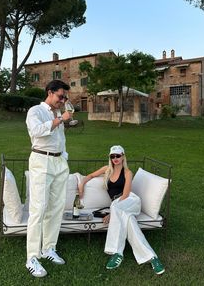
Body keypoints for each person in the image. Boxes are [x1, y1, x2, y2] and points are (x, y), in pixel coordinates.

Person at [78, 145, 165, 275]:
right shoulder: (106, 170)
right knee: (129, 221)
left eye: (118, 155)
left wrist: (112, 214)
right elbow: (90, 176)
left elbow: (125, 195)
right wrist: (81, 184)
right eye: (112, 156)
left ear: (123, 156)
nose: (115, 158)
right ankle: (152, 258)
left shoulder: (128, 173)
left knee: (115, 206)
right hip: (120, 207)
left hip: (131, 201)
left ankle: (116, 252)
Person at [25, 79, 72, 277]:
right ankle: (32, 257)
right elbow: (37, 132)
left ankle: (48, 248)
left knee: (57, 206)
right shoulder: (35, 111)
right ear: (50, 92)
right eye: (61, 96)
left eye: (65, 97)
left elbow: (59, 139)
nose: (63, 100)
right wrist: (60, 120)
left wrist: (64, 157)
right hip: (41, 161)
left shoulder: (58, 113)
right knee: (39, 208)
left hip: (59, 162)